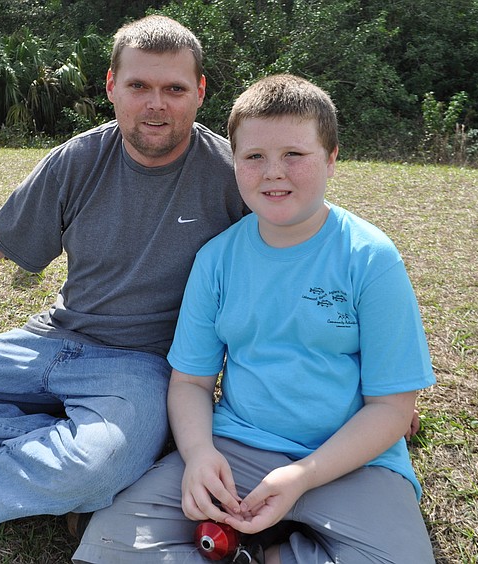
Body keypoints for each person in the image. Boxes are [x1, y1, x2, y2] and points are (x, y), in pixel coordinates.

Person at [0, 15, 248, 526]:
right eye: (138, 85)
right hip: (49, 342)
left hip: (139, 365)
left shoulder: (231, 174)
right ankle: (60, 442)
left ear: (200, 92)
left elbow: (287, 258)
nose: (155, 104)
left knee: (93, 470)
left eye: (174, 88)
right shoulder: (77, 160)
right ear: (111, 87)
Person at [72, 74, 436, 563]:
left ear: (331, 159)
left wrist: (303, 476)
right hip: (237, 448)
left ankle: (273, 553)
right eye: (254, 157)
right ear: (234, 163)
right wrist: (200, 455)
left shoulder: (370, 258)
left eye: (294, 155)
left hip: (352, 459)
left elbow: (392, 408)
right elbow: (191, 382)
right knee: (110, 545)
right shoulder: (217, 259)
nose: (273, 173)